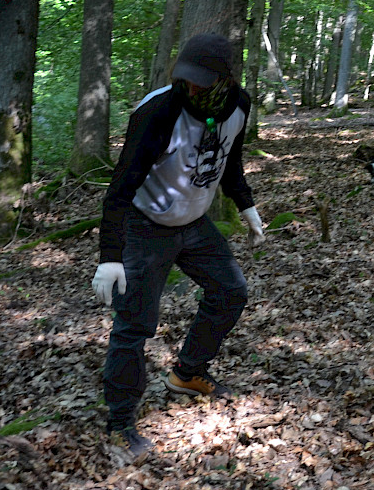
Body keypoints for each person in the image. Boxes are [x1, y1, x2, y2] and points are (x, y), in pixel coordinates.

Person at [92, 33, 266, 457]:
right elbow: (119, 189)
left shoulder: (238, 107)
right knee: (134, 325)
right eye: (186, 80)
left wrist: (247, 207)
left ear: (226, 79)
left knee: (230, 291)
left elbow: (230, 160)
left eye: (202, 82)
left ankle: (188, 373)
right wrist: (110, 257)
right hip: (145, 224)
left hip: (195, 221)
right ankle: (119, 423)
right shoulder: (159, 111)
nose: (192, 88)